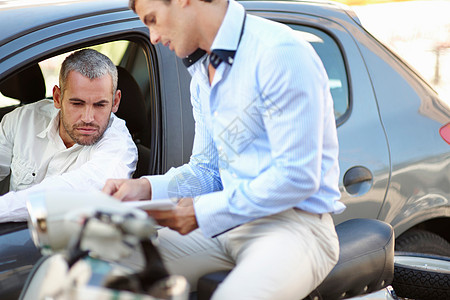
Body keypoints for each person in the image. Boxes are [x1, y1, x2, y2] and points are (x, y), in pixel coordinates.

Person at [103, 0, 346, 299]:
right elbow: (208, 170)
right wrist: (143, 188)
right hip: (227, 224)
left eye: (153, 20)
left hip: (295, 227)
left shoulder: (279, 53)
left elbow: (296, 176)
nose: (152, 36)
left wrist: (203, 212)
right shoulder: (201, 75)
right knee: (104, 268)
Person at [0, 49, 138, 223]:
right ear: (57, 97)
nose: (88, 118)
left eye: (100, 105)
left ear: (115, 102)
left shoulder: (119, 146)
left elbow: (81, 188)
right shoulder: (22, 120)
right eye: (77, 104)